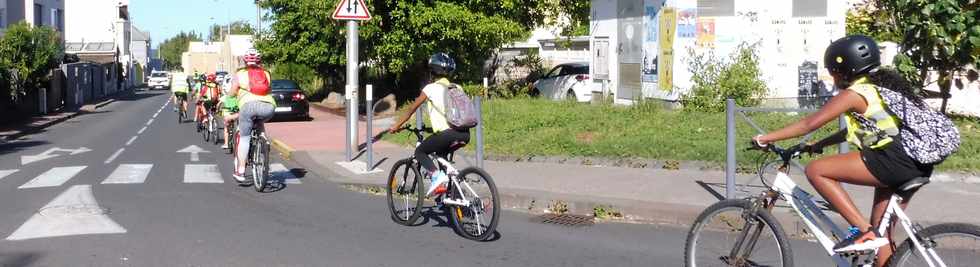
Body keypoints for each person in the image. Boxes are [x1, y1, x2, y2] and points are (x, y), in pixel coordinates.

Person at [752, 35, 935, 267]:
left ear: (845, 69)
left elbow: (809, 124)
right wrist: (819, 145)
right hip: (914, 162)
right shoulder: (878, 87)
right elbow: (869, 128)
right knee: (882, 236)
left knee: (817, 170)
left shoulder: (854, 94)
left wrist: (764, 137)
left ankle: (862, 231)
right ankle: (872, 235)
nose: (831, 76)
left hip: (893, 161)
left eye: (833, 71)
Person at [388, 52, 470, 197]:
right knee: (441, 156)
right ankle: (448, 194)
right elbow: (452, 114)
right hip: (464, 133)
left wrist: (396, 126)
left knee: (420, 152)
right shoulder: (457, 87)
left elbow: (411, 109)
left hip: (446, 135)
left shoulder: (430, 88)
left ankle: (436, 177)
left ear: (432, 72)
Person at [230, 49, 276, 183]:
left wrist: (230, 96)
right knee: (260, 119)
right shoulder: (266, 73)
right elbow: (269, 89)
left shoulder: (240, 73)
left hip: (248, 106)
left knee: (244, 138)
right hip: (269, 107)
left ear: (245, 61)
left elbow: (233, 91)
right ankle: (263, 139)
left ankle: (241, 171)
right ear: (259, 61)